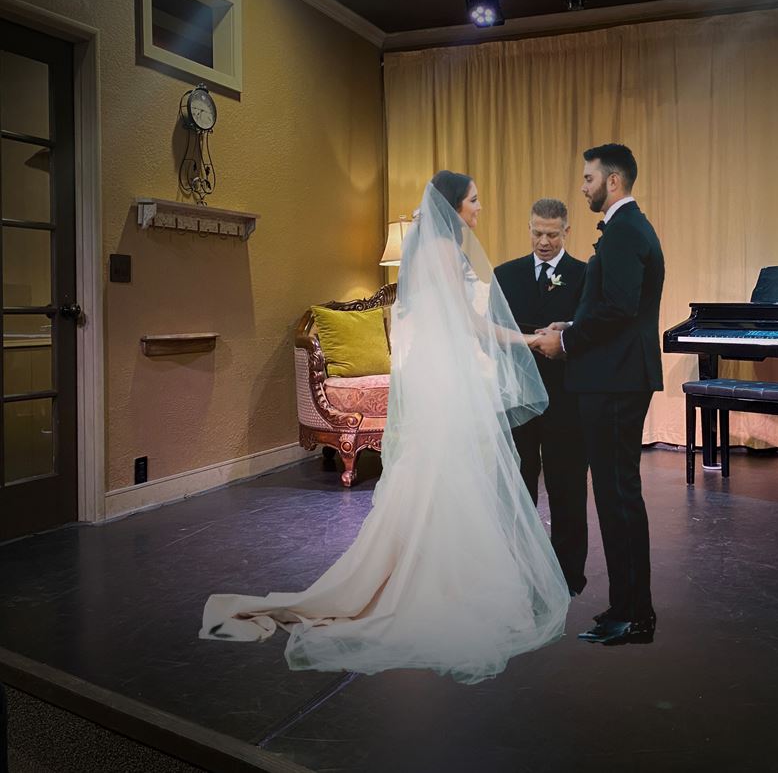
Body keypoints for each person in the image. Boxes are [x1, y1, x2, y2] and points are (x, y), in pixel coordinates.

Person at [201, 171, 570, 684]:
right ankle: (443, 584)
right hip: (449, 384)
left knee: (441, 481)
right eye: (474, 200)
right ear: (454, 207)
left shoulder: (435, 249)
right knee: (453, 480)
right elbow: (470, 326)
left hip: (441, 379)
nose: (480, 208)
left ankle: (425, 570)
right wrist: (531, 341)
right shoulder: (445, 251)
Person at [532, 144, 665, 647]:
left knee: (617, 499)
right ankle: (627, 607)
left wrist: (565, 343)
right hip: (615, 377)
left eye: (588, 178)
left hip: (614, 382)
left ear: (612, 181)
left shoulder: (625, 231)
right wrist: (570, 326)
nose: (583, 185)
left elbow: (619, 309)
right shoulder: (628, 228)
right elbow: (614, 309)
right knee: (614, 497)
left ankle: (634, 616)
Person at [494, 199, 588, 595]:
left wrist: (568, 333)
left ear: (567, 231)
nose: (544, 242)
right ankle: (520, 571)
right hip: (518, 397)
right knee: (518, 485)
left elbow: (593, 332)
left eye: (552, 234)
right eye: (537, 233)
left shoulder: (585, 275)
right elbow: (491, 332)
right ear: (529, 228)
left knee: (568, 487)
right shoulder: (505, 275)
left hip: (567, 397)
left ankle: (568, 577)